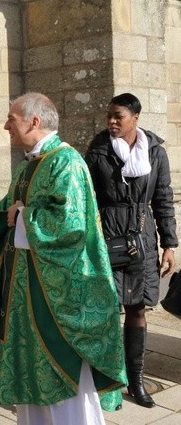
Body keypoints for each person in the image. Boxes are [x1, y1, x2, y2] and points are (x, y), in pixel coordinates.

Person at [0, 92, 127, 424]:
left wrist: (24, 216)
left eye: (11, 120)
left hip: (56, 298)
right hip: (27, 295)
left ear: (34, 121)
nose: (5, 126)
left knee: (60, 377)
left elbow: (68, 227)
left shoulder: (65, 162)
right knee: (31, 373)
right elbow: (6, 211)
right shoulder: (31, 164)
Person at [85, 92, 177, 408]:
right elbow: (86, 197)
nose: (111, 121)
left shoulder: (155, 153)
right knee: (107, 309)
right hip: (106, 236)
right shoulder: (97, 151)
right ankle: (108, 382)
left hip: (143, 238)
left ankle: (135, 380)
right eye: (109, 115)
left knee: (138, 308)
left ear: (134, 118)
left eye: (118, 116)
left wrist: (170, 245)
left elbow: (163, 199)